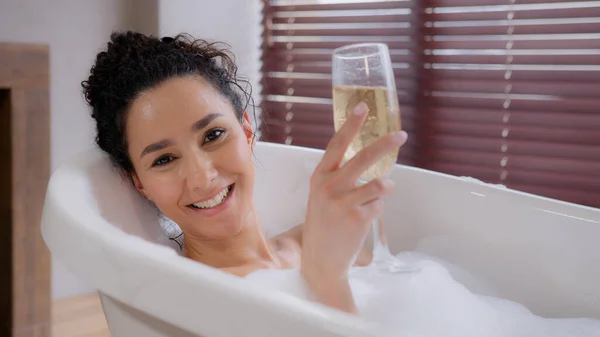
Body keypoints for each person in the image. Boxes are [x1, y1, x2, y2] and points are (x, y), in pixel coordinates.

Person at [82, 31, 407, 315]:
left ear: (247, 131)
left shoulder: (318, 239)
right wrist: (327, 282)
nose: (202, 177)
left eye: (212, 135)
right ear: (140, 183)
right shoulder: (185, 301)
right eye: (164, 159)